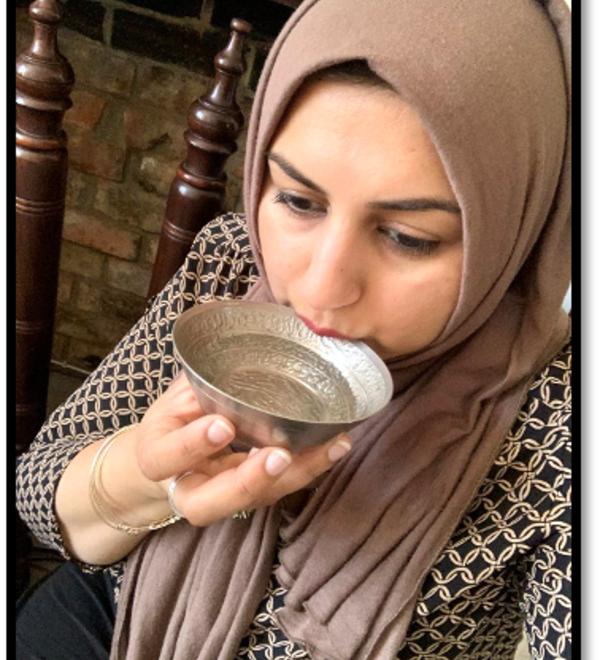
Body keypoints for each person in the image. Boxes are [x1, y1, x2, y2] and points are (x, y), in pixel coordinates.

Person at [16, 0, 571, 658]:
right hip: (110, 614)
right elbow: (38, 489)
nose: (317, 288)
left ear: (510, 229)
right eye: (298, 201)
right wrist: (147, 477)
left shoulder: (551, 413)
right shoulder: (230, 264)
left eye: (409, 237)